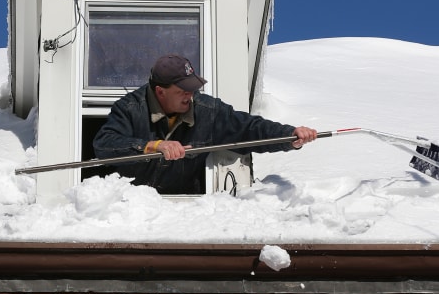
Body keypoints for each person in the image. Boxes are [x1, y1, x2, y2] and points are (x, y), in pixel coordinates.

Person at [92, 54, 318, 194]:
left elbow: (248, 128)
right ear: (160, 91)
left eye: (193, 89)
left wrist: (290, 136)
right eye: (182, 91)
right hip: (131, 211)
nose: (189, 96)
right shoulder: (130, 108)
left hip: (186, 209)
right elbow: (105, 144)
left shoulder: (208, 111)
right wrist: (154, 146)